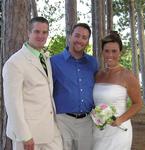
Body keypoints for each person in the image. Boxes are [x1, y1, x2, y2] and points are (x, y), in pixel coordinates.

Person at [2, 17, 63, 150]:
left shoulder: (45, 58)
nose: (41, 36)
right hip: (29, 134)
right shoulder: (15, 63)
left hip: (50, 130)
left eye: (44, 32)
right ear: (28, 32)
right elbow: (12, 104)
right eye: (37, 31)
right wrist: (24, 135)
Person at [50, 23, 99, 150]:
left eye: (84, 37)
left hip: (86, 121)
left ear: (87, 41)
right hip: (62, 121)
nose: (80, 40)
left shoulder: (93, 63)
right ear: (70, 36)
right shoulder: (54, 61)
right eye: (77, 35)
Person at [93, 31, 143, 150]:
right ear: (102, 52)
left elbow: (138, 104)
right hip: (98, 131)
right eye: (107, 51)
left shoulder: (127, 75)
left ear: (120, 52)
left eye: (114, 51)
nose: (110, 55)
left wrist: (120, 120)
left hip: (118, 131)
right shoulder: (98, 74)